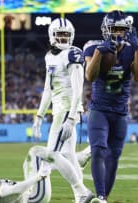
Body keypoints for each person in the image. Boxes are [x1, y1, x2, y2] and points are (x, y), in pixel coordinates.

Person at [83, 10, 138, 203]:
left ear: (127, 30)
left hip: (120, 112)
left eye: (121, 29)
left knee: (114, 156)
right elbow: (90, 76)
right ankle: (100, 196)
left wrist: (136, 50)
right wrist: (99, 52)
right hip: (99, 109)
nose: (118, 33)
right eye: (114, 29)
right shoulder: (92, 46)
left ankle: (104, 197)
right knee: (99, 150)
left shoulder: (136, 48)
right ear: (106, 29)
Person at [32, 18, 93, 203]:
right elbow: (48, 88)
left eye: (66, 35)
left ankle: (82, 191)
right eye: (60, 34)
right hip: (59, 111)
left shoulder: (72, 55)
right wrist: (39, 115)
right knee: (69, 156)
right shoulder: (49, 56)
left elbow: (77, 89)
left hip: (68, 110)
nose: (63, 38)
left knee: (51, 155)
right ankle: (79, 196)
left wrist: (72, 117)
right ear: (52, 35)